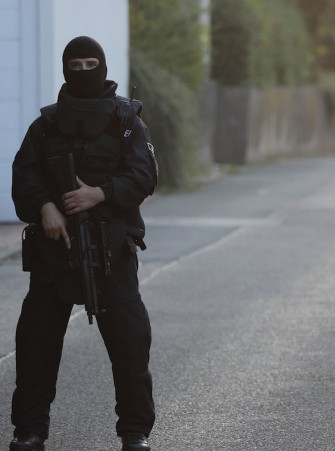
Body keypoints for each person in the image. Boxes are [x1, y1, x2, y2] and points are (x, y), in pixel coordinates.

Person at [9, 36, 158, 451]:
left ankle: (134, 432)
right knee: (36, 346)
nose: (83, 72)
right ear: (64, 68)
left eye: (91, 64)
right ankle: (29, 431)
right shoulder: (45, 125)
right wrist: (44, 208)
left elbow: (144, 176)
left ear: (104, 66)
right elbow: (24, 178)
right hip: (54, 253)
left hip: (111, 249)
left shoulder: (128, 122)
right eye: (75, 65)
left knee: (130, 345)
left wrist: (101, 193)